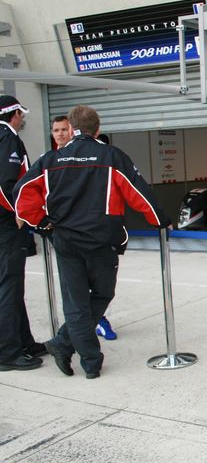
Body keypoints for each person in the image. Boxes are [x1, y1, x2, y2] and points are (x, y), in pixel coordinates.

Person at [14, 105, 169, 379]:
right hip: (102, 241)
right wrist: (160, 219)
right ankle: (76, 352)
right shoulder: (111, 156)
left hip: (65, 241)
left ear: (72, 130)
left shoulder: (51, 159)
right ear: (98, 129)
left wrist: (40, 222)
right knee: (103, 294)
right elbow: (138, 192)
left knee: (75, 304)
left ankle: (80, 355)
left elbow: (22, 192)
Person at [50, 117, 117, 340]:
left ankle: (73, 336)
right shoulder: (50, 160)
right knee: (74, 296)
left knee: (100, 289)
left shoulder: (93, 156)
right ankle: (73, 341)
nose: (60, 134)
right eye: (56, 130)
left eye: (63, 129)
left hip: (94, 236)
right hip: (65, 239)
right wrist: (41, 223)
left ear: (72, 131)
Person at [0, 95, 46, 372]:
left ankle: (23, 342)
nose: (22, 118)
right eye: (21, 114)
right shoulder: (8, 139)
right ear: (14, 114)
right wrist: (20, 213)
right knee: (9, 287)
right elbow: (5, 184)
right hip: (6, 225)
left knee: (11, 287)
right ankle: (7, 352)